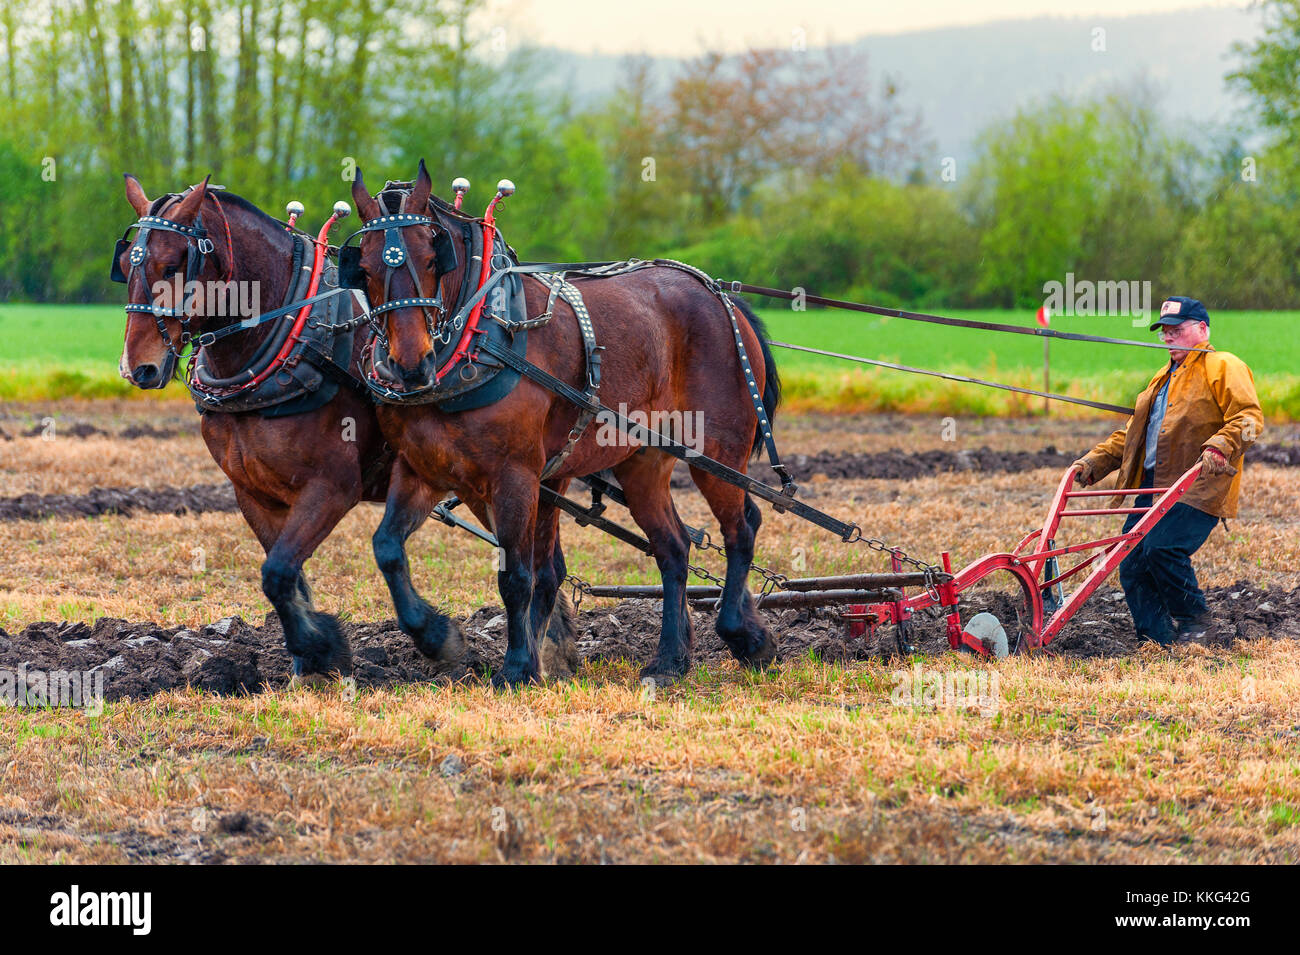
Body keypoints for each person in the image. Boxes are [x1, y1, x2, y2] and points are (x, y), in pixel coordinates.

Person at [1072, 296, 1264, 645]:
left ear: (1202, 329)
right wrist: (1094, 462)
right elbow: (1133, 435)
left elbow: (1250, 420)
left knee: (1162, 548)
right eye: (1165, 332)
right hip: (1151, 486)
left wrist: (1221, 445)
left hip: (1196, 485)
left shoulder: (1223, 366)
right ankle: (1157, 640)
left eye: (1177, 330)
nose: (1168, 338)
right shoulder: (1161, 378)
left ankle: (1197, 622)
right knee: (1130, 564)